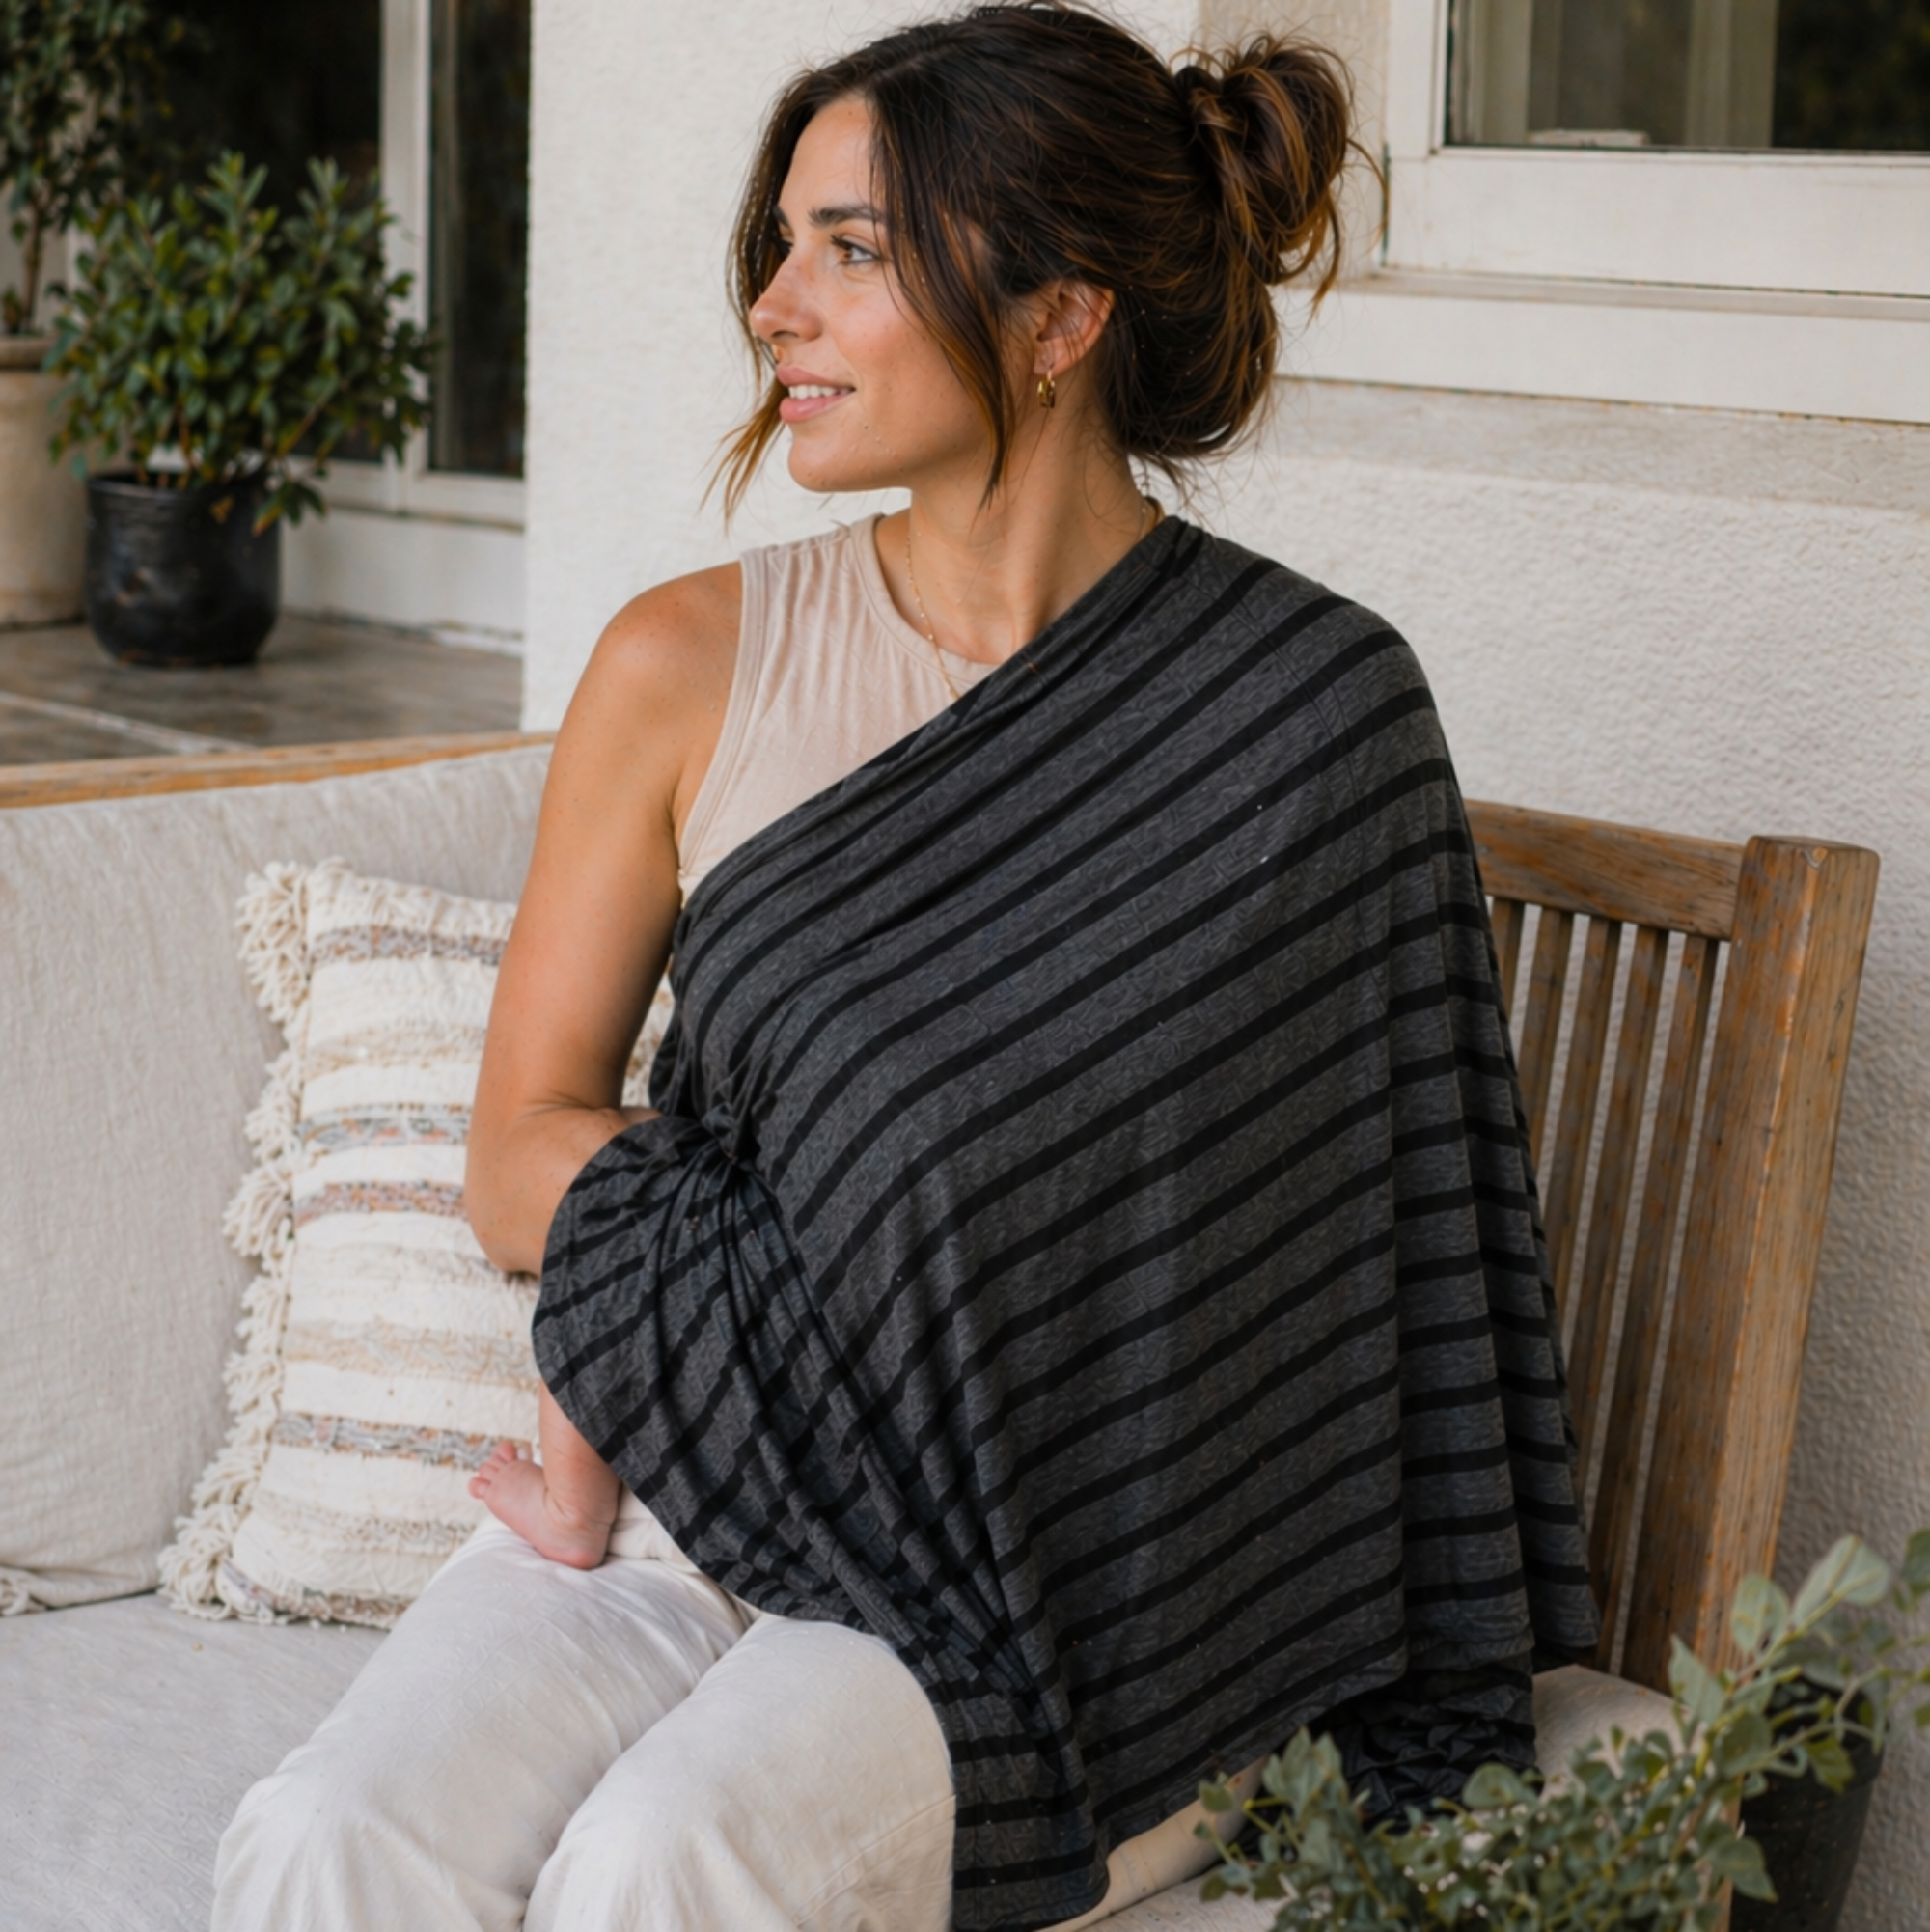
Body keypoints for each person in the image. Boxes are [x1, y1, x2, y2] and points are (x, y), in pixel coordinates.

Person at [210, 7, 1599, 1930]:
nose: (773, 303)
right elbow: (514, 1145)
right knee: (323, 1838)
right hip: (696, 1466)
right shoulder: (683, 665)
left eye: (850, 249)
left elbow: (1342, 1261)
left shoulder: (1308, 718)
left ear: (1058, 316)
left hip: (1037, 1565)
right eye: (781, 243)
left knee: (658, 1863)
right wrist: (684, 1306)